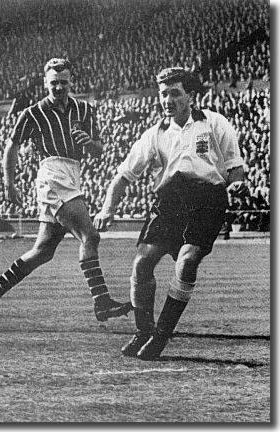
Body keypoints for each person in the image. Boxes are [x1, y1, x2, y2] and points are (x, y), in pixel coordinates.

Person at [94, 67, 247, 360]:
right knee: (142, 264)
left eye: (174, 93)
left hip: (207, 199)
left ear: (190, 95)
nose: (167, 99)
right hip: (169, 203)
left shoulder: (215, 123)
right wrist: (107, 208)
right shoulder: (155, 134)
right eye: (163, 93)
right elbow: (123, 175)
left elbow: (234, 168)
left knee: (187, 261)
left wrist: (237, 185)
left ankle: (161, 335)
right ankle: (143, 330)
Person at [0, 58, 132, 326]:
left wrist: (90, 143)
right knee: (90, 236)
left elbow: (99, 149)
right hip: (52, 175)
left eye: (64, 82)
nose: (59, 87)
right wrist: (9, 183)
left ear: (72, 82)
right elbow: (11, 147)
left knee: (43, 251)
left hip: (73, 173)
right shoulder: (33, 113)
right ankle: (101, 302)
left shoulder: (84, 110)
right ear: (45, 83)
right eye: (53, 83)